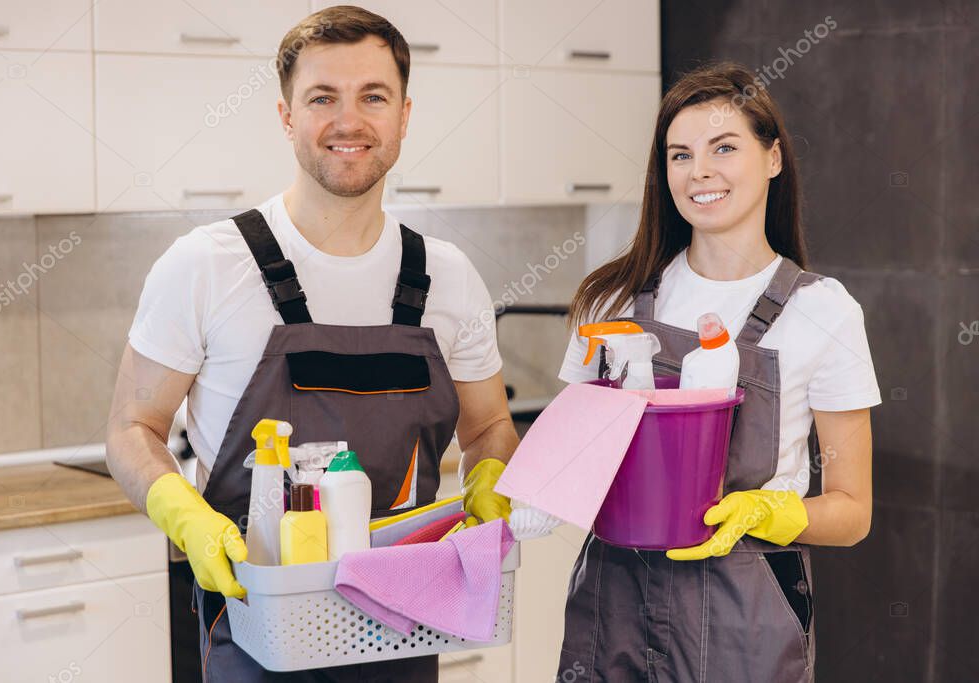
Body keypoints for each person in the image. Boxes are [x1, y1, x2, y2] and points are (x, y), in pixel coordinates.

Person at [105, 6, 517, 681]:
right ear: (286, 116)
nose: (348, 121)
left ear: (404, 116)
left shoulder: (448, 277)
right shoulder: (206, 264)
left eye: (373, 97)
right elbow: (130, 427)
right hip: (252, 623)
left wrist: (493, 479)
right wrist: (184, 515)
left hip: (401, 629)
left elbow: (492, 424)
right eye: (323, 97)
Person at [555, 62, 881, 682]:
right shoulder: (612, 300)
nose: (699, 170)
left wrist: (770, 513)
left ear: (773, 158)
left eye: (723, 147)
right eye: (680, 155)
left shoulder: (823, 311)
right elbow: (566, 454)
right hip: (612, 600)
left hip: (743, 614)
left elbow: (852, 511)